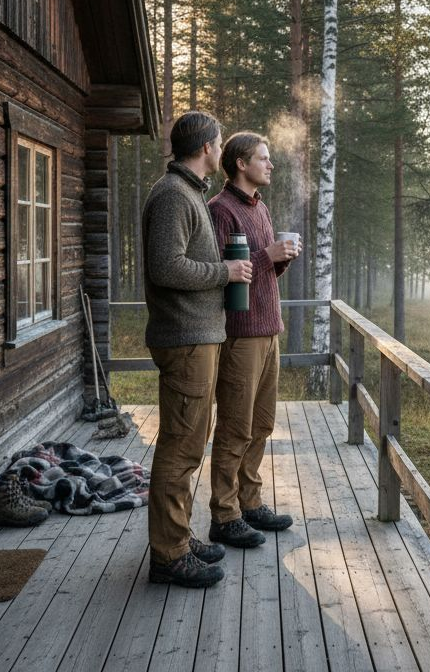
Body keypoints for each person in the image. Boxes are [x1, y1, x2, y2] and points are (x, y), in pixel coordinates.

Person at [142, 110, 253, 589]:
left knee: (189, 443)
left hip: (199, 337)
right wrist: (222, 274)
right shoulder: (172, 196)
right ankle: (169, 556)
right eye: (219, 141)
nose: (222, 146)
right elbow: (166, 267)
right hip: (185, 339)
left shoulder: (187, 193)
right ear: (206, 146)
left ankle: (180, 539)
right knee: (180, 448)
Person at [206, 132, 299, 548]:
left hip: (269, 330)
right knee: (235, 427)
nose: (270, 164)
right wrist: (267, 258)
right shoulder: (220, 210)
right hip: (240, 336)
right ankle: (224, 515)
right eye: (264, 158)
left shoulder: (258, 208)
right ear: (241, 164)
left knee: (261, 424)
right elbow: (222, 276)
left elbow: (257, 273)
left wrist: (278, 262)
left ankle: (250, 501)